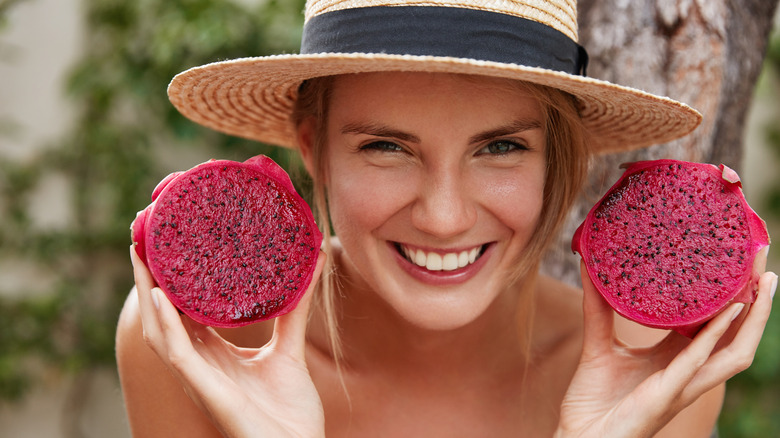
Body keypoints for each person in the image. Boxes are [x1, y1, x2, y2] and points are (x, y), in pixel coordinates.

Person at [116, 0, 776, 436]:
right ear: (312, 147)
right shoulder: (189, 351)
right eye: (386, 147)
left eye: (500, 147)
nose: (443, 216)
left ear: (558, 161)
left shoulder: (656, 379)